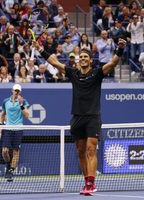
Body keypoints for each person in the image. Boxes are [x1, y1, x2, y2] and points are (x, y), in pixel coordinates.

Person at [34, 38, 126, 195]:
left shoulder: (97, 73)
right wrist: (40, 49)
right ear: (78, 60)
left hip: (92, 117)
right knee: (80, 151)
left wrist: (120, 49)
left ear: (90, 60)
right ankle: (86, 182)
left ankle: (91, 183)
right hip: (77, 118)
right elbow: (55, 63)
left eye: (85, 57)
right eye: (81, 57)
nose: (83, 59)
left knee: (91, 149)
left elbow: (112, 64)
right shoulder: (73, 73)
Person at [0, 84, 29, 182]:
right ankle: (8, 165)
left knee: (16, 152)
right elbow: (2, 115)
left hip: (18, 129)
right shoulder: (5, 101)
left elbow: (27, 115)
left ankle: (10, 171)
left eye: (18, 91)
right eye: (15, 90)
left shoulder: (23, 101)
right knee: (5, 151)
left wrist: (21, 105)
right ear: (12, 90)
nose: (16, 92)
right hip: (8, 129)